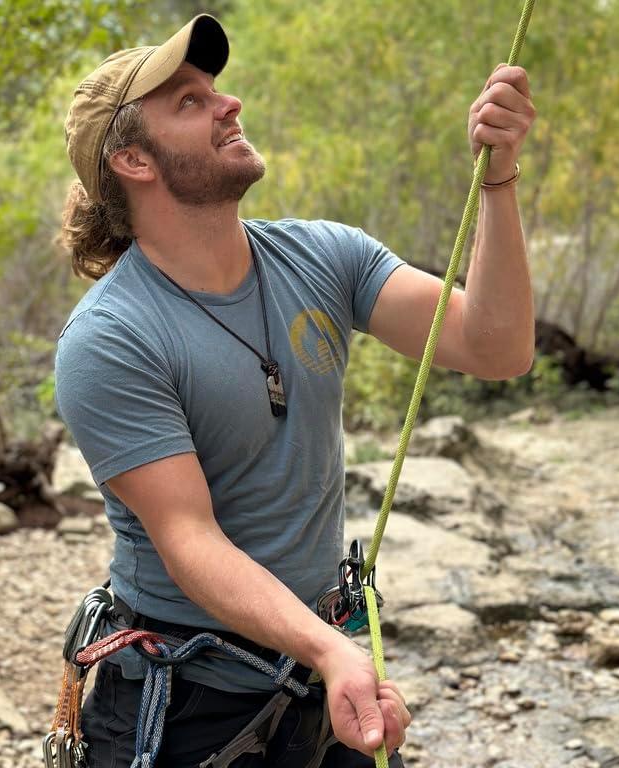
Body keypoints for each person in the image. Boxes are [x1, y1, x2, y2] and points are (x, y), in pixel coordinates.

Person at [54, 13, 535, 768]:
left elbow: (495, 345)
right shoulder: (111, 337)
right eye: (188, 101)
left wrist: (499, 178)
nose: (229, 103)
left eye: (215, 88)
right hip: (183, 704)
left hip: (318, 670)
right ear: (133, 160)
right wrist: (331, 651)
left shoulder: (324, 256)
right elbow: (190, 541)